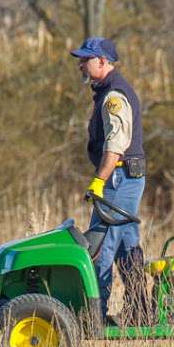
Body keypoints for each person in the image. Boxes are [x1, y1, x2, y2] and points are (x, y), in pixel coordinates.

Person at [70, 37, 147, 324]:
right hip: (125, 178)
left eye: (85, 60)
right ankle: (140, 310)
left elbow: (116, 145)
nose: (81, 65)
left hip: (118, 179)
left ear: (102, 61)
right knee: (128, 248)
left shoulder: (114, 95)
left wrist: (99, 180)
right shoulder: (108, 91)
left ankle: (95, 317)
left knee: (100, 248)